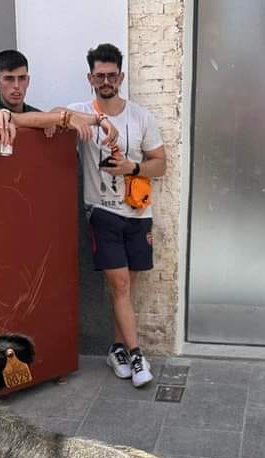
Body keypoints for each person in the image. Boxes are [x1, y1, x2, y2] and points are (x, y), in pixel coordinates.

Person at [68, 43, 165, 387]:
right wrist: (89, 121)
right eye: (99, 75)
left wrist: (131, 167)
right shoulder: (79, 111)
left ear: (121, 76)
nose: (106, 80)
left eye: (112, 75)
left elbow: (160, 164)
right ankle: (137, 357)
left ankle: (116, 349)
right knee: (120, 284)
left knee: (125, 288)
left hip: (138, 213)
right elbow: (49, 117)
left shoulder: (141, 116)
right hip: (102, 213)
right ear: (90, 77)